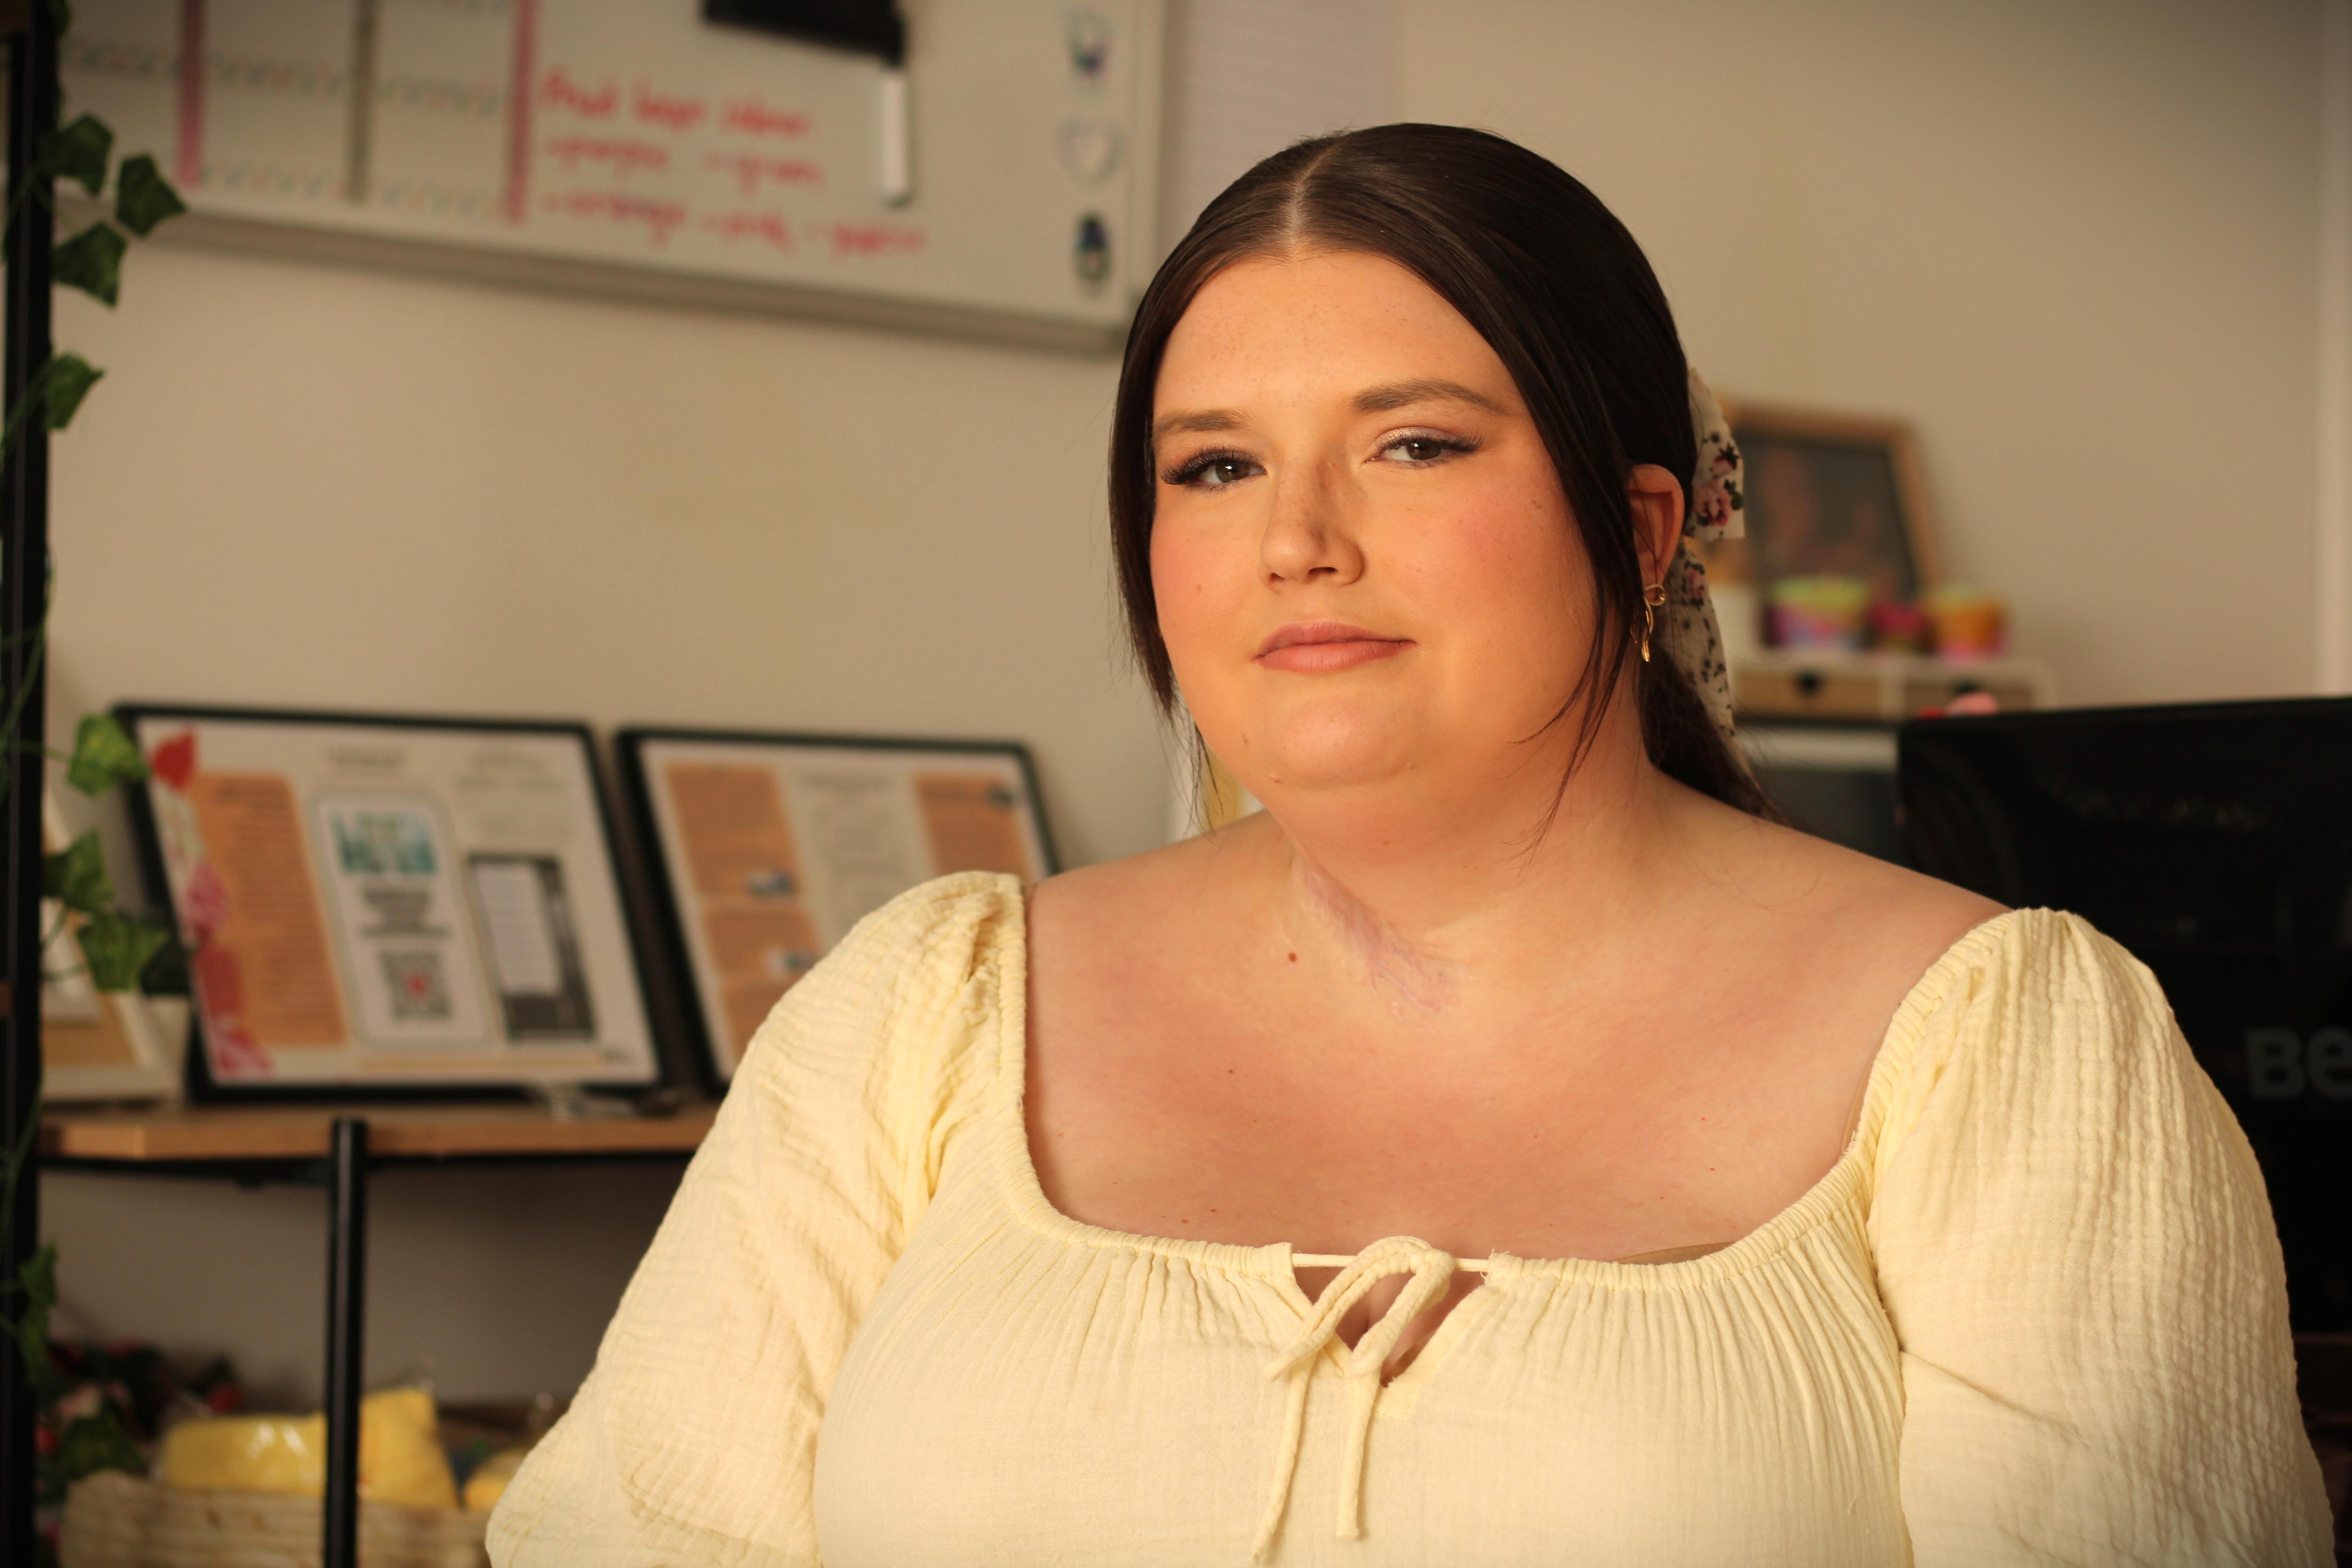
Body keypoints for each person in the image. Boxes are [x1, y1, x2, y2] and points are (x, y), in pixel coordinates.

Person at [489, 125, 2329, 1566]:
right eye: (1210, 467)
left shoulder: (2007, 1044)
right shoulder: (923, 1006)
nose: (1294, 537)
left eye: (1414, 446)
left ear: (1637, 525)